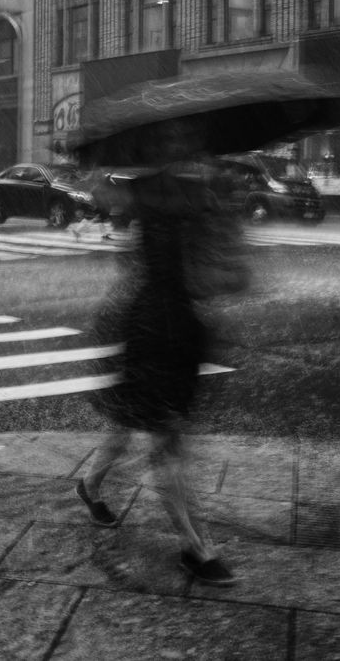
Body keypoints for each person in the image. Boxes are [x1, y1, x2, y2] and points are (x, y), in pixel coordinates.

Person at [74, 117, 237, 587]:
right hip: (153, 326)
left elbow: (219, 271)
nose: (180, 145)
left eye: (186, 138)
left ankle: (90, 485)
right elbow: (132, 252)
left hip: (180, 325)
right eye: (172, 139)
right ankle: (195, 548)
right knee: (167, 436)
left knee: (131, 418)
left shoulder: (200, 194)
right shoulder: (149, 192)